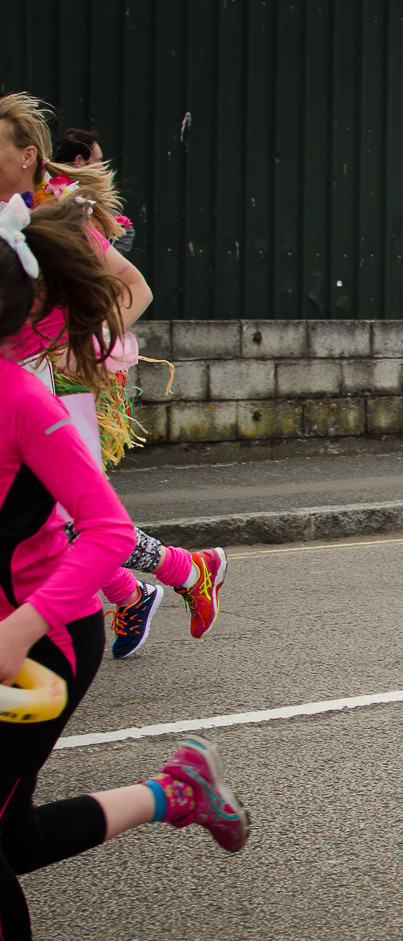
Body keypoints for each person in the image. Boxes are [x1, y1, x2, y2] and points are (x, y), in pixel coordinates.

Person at [0, 193, 250, 941]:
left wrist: (18, 630)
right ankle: (176, 792)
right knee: (12, 837)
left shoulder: (23, 402)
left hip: (46, 642)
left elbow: (105, 531)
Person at [0, 94, 223, 658]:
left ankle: (174, 573)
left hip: (51, 377)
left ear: (27, 155)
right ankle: (141, 587)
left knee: (64, 516)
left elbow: (134, 287)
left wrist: (85, 345)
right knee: (51, 517)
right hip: (19, 371)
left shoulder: (52, 213)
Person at [54, 127, 133, 253]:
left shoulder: (45, 193)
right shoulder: (59, 201)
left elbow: (125, 229)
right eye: (98, 160)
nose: (102, 167)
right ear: (79, 161)